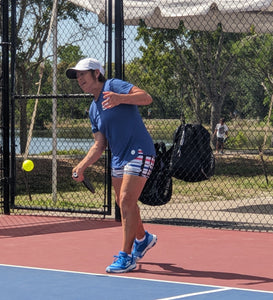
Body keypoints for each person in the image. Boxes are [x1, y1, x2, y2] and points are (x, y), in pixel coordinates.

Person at [66, 58, 157, 273]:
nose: (79, 79)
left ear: (97, 73)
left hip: (140, 151)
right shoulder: (93, 109)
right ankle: (143, 239)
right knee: (125, 203)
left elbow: (147, 98)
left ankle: (126, 257)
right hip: (118, 157)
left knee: (126, 200)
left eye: (83, 74)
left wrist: (120, 98)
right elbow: (99, 144)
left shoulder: (113, 85)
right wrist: (82, 165)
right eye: (77, 76)